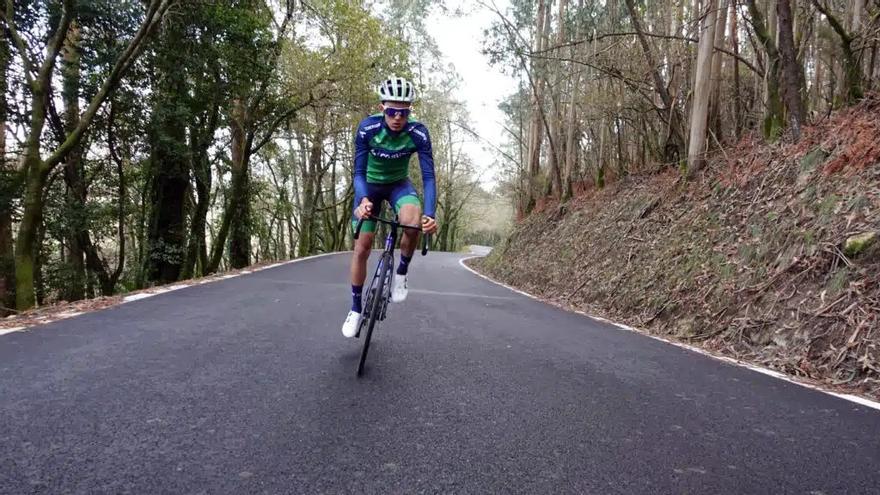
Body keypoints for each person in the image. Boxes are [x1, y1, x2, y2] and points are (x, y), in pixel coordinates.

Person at [341, 76, 439, 338]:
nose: (398, 117)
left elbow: (429, 177)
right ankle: (355, 308)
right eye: (392, 111)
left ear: (410, 112)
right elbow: (358, 172)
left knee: (412, 221)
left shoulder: (418, 133)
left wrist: (430, 214)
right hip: (369, 187)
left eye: (404, 112)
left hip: (399, 185)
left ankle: (402, 273)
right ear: (382, 107)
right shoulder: (367, 128)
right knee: (362, 246)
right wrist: (362, 201)